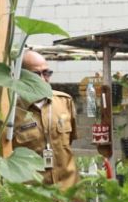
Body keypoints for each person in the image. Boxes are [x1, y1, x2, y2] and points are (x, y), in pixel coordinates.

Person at [13, 50, 79, 192]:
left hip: (68, 187)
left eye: (47, 73)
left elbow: (69, 141)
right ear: (21, 76)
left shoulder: (64, 102)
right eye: (36, 74)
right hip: (33, 191)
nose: (43, 79)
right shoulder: (10, 111)